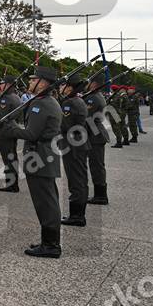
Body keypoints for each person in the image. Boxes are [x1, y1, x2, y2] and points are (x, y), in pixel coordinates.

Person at [0, 66, 63, 258]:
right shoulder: (46, 101)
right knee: (47, 200)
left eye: (33, 79)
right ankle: (49, 241)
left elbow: (32, 134)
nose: (30, 82)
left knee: (46, 202)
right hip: (43, 155)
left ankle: (51, 246)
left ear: (43, 83)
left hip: (40, 157)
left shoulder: (42, 104)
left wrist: (10, 129)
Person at [58, 74, 90, 227]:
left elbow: (65, 125)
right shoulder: (79, 100)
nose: (60, 87)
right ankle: (78, 214)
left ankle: (77, 216)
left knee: (76, 181)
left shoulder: (69, 103)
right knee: (80, 180)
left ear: (69, 87)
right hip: (79, 144)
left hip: (73, 146)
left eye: (62, 85)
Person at [86, 72, 111, 205]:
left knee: (96, 166)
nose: (87, 83)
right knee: (97, 165)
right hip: (96, 132)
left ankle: (101, 196)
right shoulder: (96, 95)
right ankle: (100, 194)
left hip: (95, 134)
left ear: (94, 84)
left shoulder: (93, 98)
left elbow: (86, 116)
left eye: (89, 81)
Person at [0, 75, 22, 192]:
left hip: (5, 129)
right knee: (12, 156)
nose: (0, 85)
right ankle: (13, 183)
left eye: (2, 83)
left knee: (8, 158)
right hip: (13, 126)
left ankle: (12, 185)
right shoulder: (16, 97)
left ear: (8, 85)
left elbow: (1, 117)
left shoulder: (5, 98)